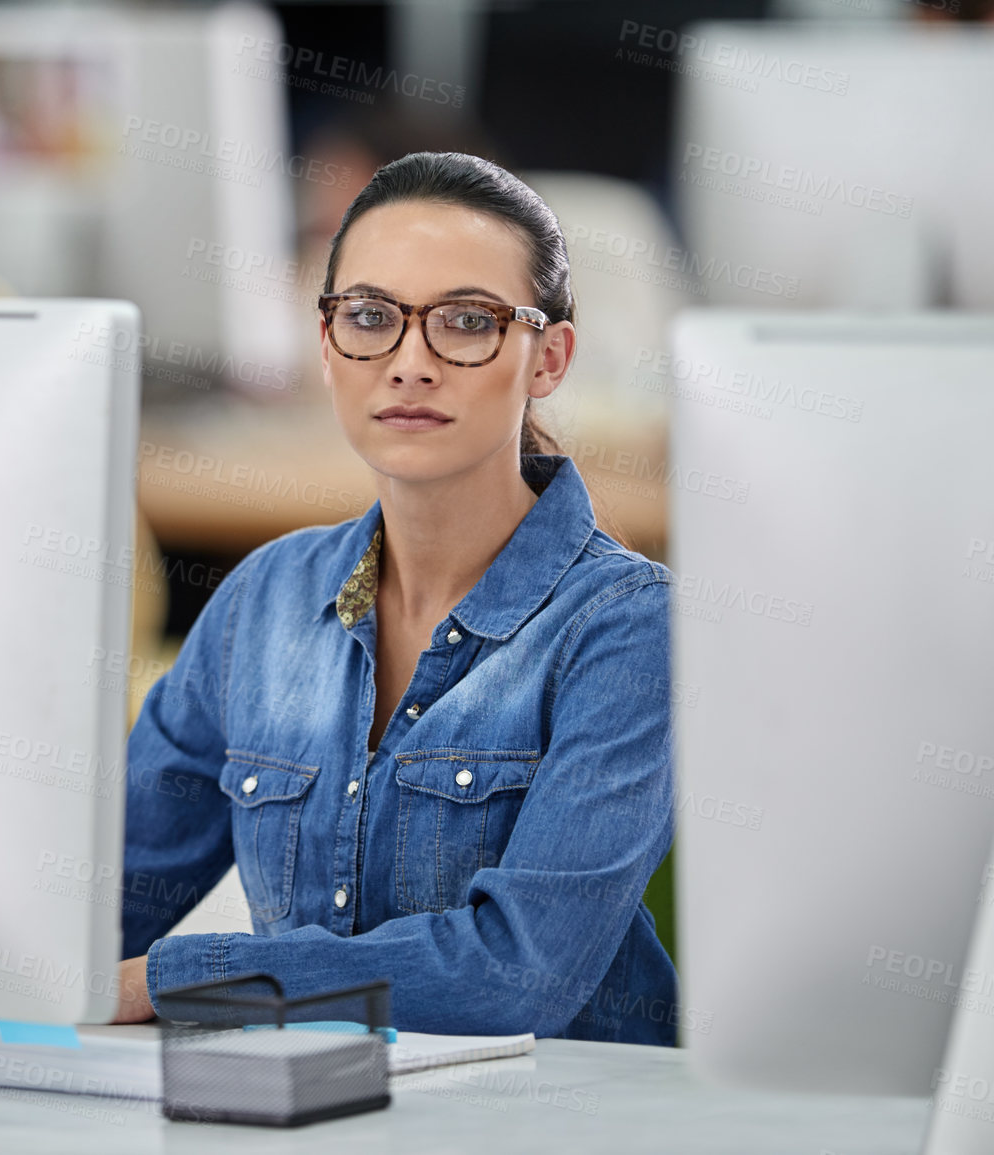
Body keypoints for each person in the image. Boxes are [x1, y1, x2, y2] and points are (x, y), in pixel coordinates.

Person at [111, 151, 678, 1045]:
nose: (410, 363)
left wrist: (184, 976)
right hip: (325, 1113)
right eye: (369, 317)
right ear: (328, 344)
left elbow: (513, 974)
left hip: (562, 1122)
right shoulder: (263, 599)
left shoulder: (627, 627)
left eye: (466, 321)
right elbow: (103, 906)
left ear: (547, 357)